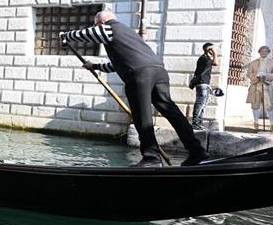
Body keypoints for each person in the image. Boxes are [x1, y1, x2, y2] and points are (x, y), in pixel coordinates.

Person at [61, 10, 209, 166]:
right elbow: (118, 64)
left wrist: (67, 35)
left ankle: (151, 158)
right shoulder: (129, 34)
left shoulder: (110, 28)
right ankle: (197, 151)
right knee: (172, 113)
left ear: (100, 23)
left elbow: (93, 33)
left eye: (96, 25)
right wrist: (95, 66)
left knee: (142, 117)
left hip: (140, 76)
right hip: (159, 72)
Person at [246, 46, 273, 131]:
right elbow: (249, 73)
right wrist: (256, 75)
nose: (264, 52)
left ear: (268, 52)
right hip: (256, 86)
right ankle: (256, 122)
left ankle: (272, 123)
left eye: (266, 51)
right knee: (255, 105)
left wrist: (266, 75)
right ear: (259, 52)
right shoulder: (253, 63)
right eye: (262, 51)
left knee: (269, 105)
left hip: (267, 85)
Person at [190, 42, 219, 130]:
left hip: (205, 84)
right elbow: (216, 63)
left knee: (203, 104)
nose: (214, 50)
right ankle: (195, 123)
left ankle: (199, 123)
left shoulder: (206, 58)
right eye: (212, 49)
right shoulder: (203, 58)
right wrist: (215, 53)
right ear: (208, 49)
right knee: (200, 103)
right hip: (202, 84)